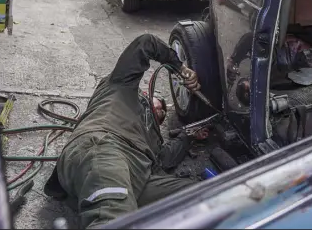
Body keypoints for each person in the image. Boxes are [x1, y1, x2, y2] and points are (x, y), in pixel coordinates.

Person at [44, 34, 208, 228]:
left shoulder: (152, 140)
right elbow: (145, 43)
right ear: (146, 94)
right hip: (104, 147)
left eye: (163, 113)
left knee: (204, 197)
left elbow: (166, 158)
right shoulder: (120, 86)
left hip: (137, 175)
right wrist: (180, 67)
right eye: (159, 103)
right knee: (114, 220)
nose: (161, 110)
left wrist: (188, 136)